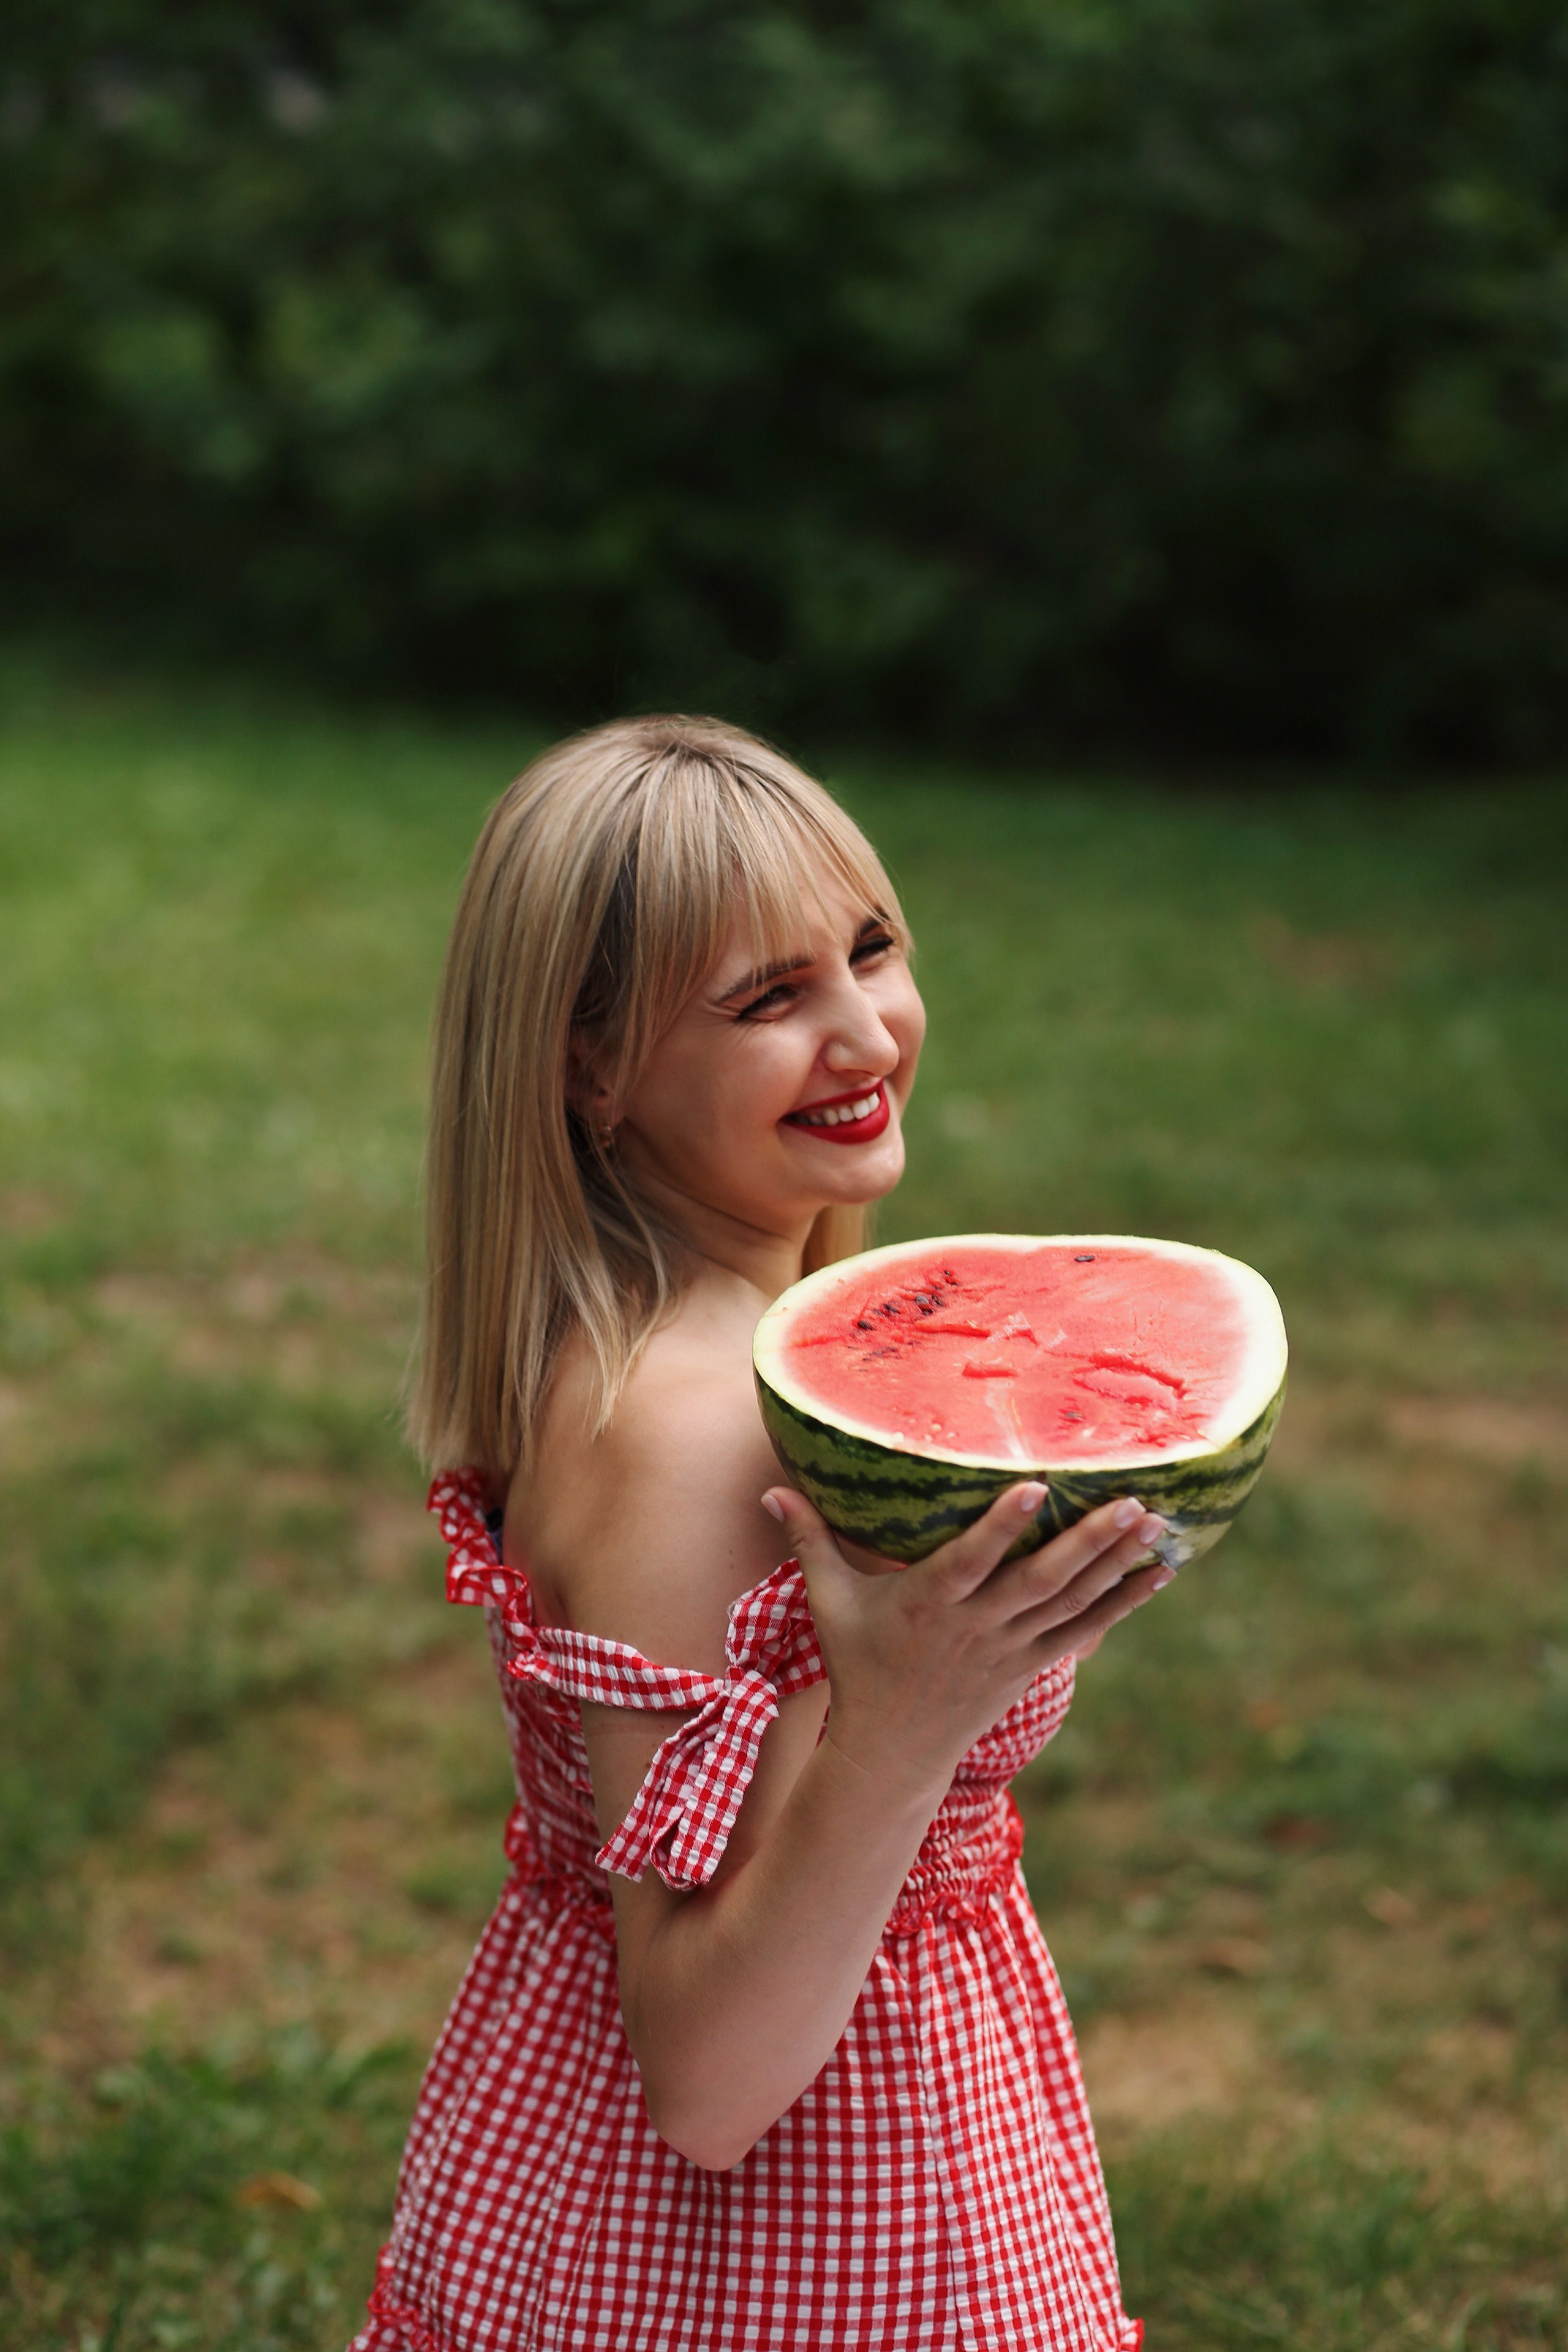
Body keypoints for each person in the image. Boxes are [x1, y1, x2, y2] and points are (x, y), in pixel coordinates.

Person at [352, 716, 1172, 2352]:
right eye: (767, 998)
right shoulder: (693, 1429)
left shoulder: (731, 1355)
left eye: (870, 949)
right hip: (763, 2251)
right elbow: (711, 2077)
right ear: (590, 1069)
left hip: (852, 2164)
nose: (867, 1031)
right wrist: (912, 1716)